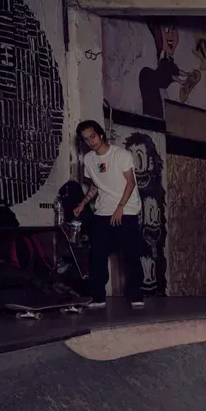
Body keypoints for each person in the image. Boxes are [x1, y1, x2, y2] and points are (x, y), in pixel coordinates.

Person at [72, 120, 146, 308]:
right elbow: (96, 185)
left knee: (130, 254)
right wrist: (83, 203)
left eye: (93, 136)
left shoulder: (121, 155)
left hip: (126, 210)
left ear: (100, 134)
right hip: (103, 212)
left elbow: (130, 182)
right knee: (97, 254)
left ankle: (135, 295)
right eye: (86, 139)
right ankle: (98, 297)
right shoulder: (89, 159)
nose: (91, 141)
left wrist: (120, 207)